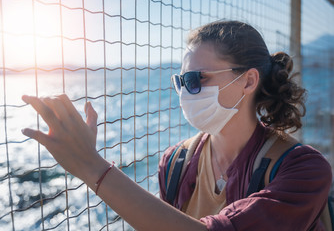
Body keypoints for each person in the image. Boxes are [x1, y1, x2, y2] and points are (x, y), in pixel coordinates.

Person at [21, 20, 332, 230]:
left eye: (196, 79)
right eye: (181, 81)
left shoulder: (305, 169)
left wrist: (91, 166)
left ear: (248, 80)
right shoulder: (175, 163)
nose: (185, 92)